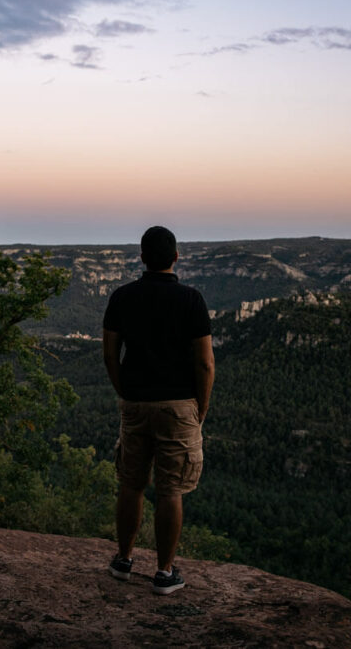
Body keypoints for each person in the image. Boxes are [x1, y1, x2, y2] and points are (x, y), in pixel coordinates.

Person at [101, 226, 215, 595]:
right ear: (176, 258)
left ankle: (123, 560)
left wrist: (123, 389)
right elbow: (205, 363)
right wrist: (202, 405)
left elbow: (109, 353)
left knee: (131, 483)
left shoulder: (122, 297)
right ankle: (164, 573)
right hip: (179, 404)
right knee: (170, 490)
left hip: (135, 402)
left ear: (142, 257)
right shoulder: (192, 299)